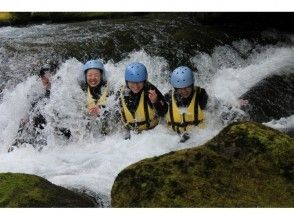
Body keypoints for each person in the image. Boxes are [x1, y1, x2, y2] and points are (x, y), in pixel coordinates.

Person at [118, 62, 168, 139]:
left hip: (151, 132)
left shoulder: (151, 90)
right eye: (132, 83)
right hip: (130, 133)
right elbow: (114, 114)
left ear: (144, 81)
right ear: (127, 82)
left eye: (139, 82)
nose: (136, 86)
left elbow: (163, 113)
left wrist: (155, 101)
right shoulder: (121, 93)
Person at [165, 66, 208, 142]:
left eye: (187, 87)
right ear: (175, 88)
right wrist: (155, 102)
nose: (184, 91)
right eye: (180, 88)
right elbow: (160, 112)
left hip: (198, 137)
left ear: (192, 85)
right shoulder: (168, 98)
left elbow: (215, 108)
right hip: (173, 138)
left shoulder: (201, 95)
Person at [82, 59, 111, 135]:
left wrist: (101, 108)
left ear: (101, 76)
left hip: (107, 132)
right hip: (90, 132)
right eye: (90, 75)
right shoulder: (81, 89)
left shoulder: (108, 88)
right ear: (85, 76)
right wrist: (86, 111)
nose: (93, 78)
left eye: (96, 75)